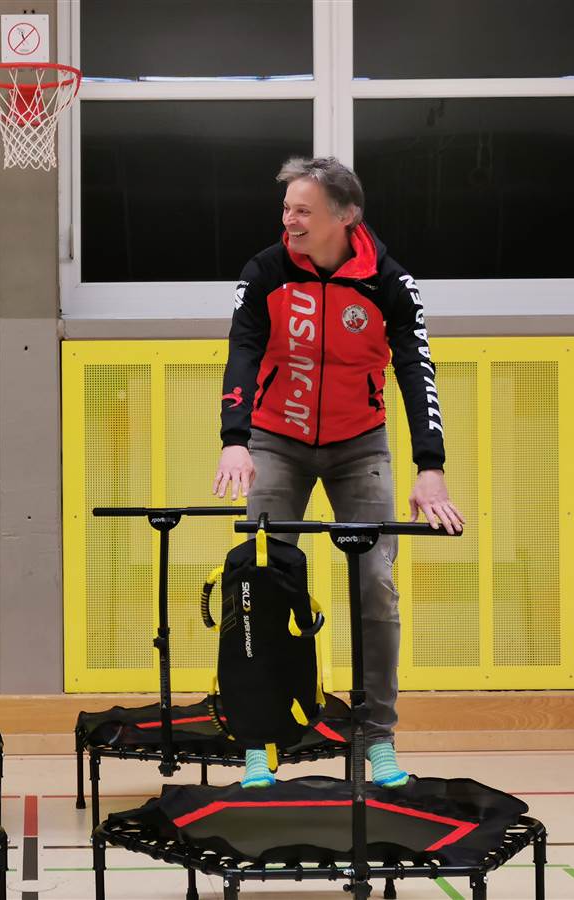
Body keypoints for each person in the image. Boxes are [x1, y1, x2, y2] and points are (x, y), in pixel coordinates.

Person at [213, 157, 463, 789]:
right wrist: (234, 441)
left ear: (345, 216)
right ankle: (257, 738)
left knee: (376, 585)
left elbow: (415, 368)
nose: (287, 220)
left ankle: (377, 736)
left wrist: (429, 466)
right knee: (258, 580)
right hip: (275, 439)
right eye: (287, 208)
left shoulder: (389, 281)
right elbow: (242, 350)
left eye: (302, 209)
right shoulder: (265, 270)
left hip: (361, 446)